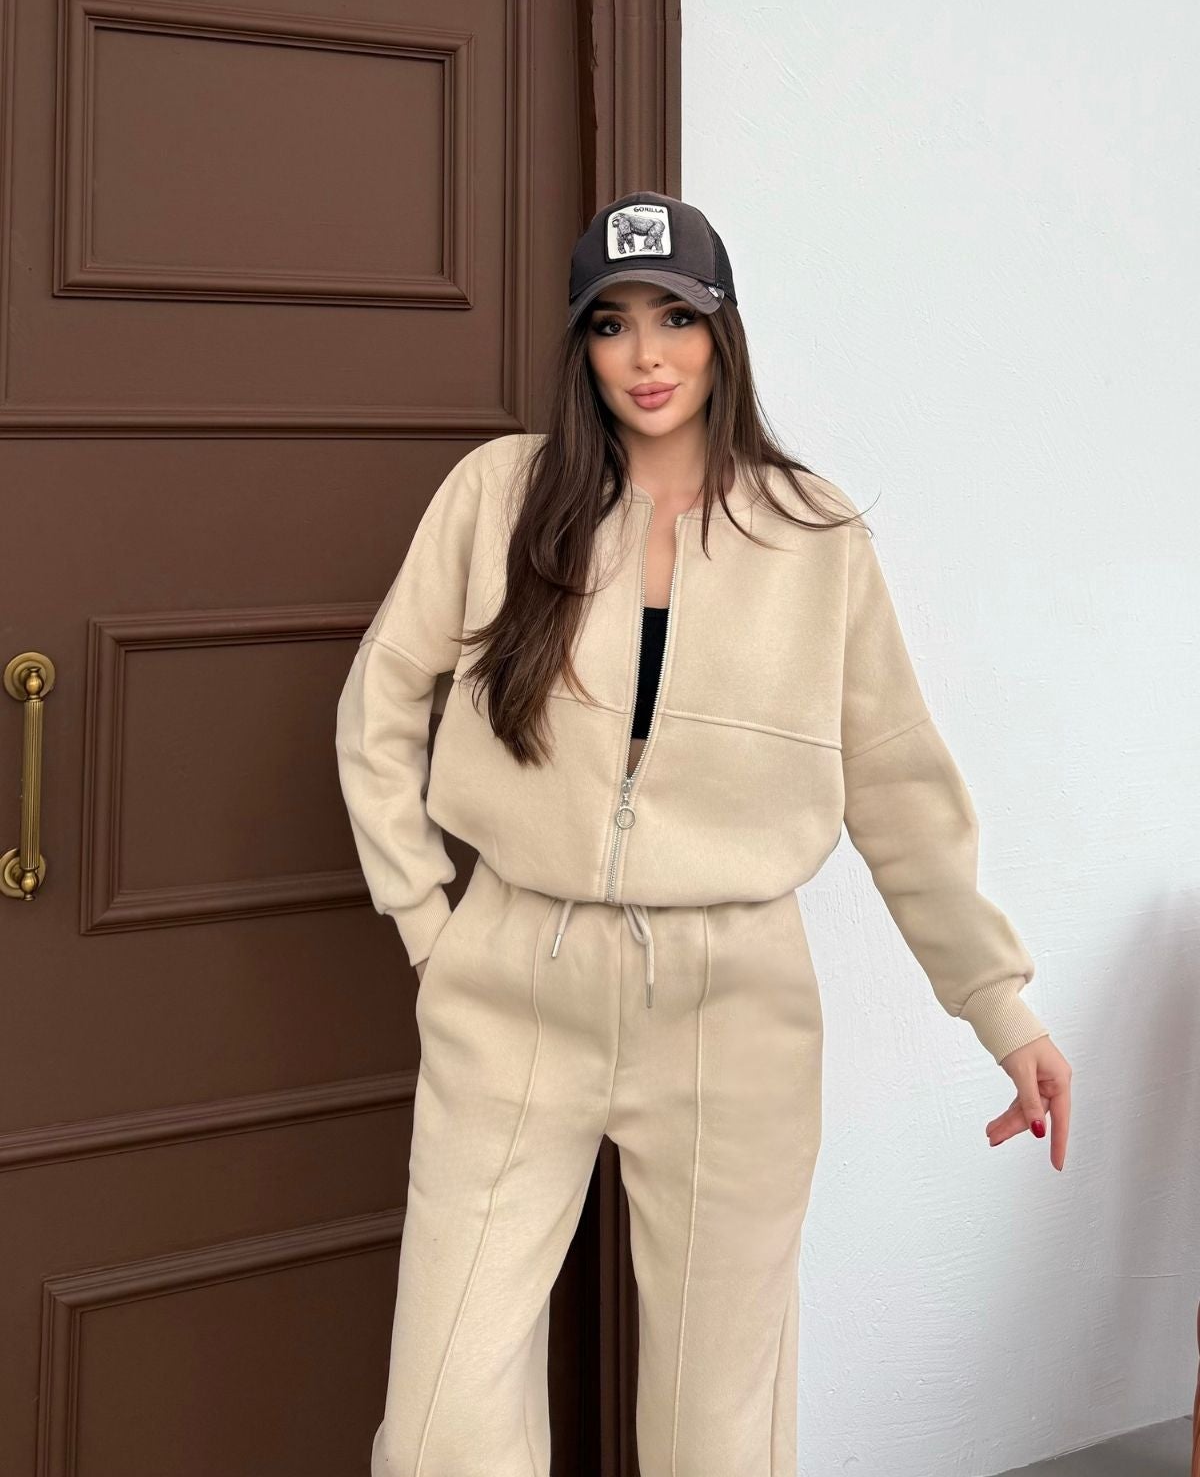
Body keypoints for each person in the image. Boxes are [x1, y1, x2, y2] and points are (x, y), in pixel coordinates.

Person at [335, 189, 1073, 1477]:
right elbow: (379, 703)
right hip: (512, 980)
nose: (647, 355)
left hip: (735, 1007)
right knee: (444, 1414)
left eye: (676, 317)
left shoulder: (814, 536)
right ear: (581, 345)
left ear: (723, 331)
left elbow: (898, 788)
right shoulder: (500, 496)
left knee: (717, 1427)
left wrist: (999, 1009)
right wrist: (428, 925)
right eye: (612, 323)